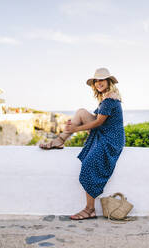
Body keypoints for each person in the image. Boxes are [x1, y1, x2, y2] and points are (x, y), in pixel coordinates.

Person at [39, 67, 125, 220]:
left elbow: (98, 122)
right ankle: (59, 140)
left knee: (89, 164)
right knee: (80, 112)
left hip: (112, 139)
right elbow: (95, 118)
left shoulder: (110, 99)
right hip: (105, 133)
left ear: (109, 81)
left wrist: (76, 128)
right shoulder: (105, 98)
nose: (99, 83)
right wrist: (75, 125)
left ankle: (90, 209)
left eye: (102, 80)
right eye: (96, 81)